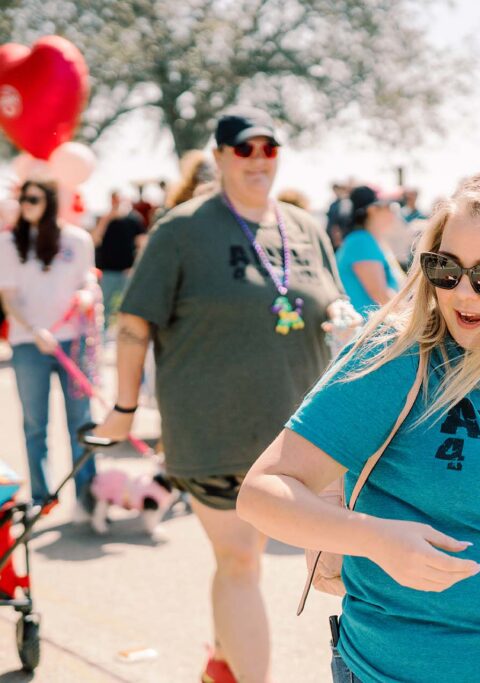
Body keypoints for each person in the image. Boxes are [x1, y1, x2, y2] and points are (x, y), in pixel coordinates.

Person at [237, 169, 480, 683]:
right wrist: (377, 540)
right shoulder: (398, 356)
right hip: (393, 670)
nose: (463, 294)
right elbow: (261, 492)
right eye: (445, 268)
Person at [93, 107, 346, 683]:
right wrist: (124, 407)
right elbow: (134, 323)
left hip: (300, 434)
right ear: (220, 156)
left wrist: (342, 318)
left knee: (272, 564)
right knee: (239, 560)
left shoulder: (303, 227)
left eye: (269, 149)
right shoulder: (181, 230)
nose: (258, 160)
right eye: (244, 149)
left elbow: (329, 299)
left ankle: (224, 666)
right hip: (215, 431)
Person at [0, 178, 98, 509]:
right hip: (30, 344)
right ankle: (42, 498)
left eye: (33, 199)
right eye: (22, 199)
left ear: (51, 201)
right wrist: (34, 329)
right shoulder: (8, 243)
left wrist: (87, 293)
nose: (25, 205)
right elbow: (8, 297)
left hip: (74, 342)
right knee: (34, 425)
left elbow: (87, 278)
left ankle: (88, 499)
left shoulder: (78, 239)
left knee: (81, 423)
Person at [335, 185, 403, 317]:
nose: (395, 211)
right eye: (391, 206)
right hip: (366, 332)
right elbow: (382, 297)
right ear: (372, 209)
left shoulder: (371, 240)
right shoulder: (361, 242)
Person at [90, 189, 147, 329]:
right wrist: (107, 219)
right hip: (108, 272)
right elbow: (95, 240)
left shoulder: (134, 219)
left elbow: (142, 244)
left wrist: (136, 267)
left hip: (127, 272)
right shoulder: (104, 219)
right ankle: (101, 341)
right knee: (104, 308)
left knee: (130, 308)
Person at [326, 182, 352, 249]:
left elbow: (340, 221)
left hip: (340, 239)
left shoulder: (345, 203)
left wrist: (338, 238)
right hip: (333, 238)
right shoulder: (334, 204)